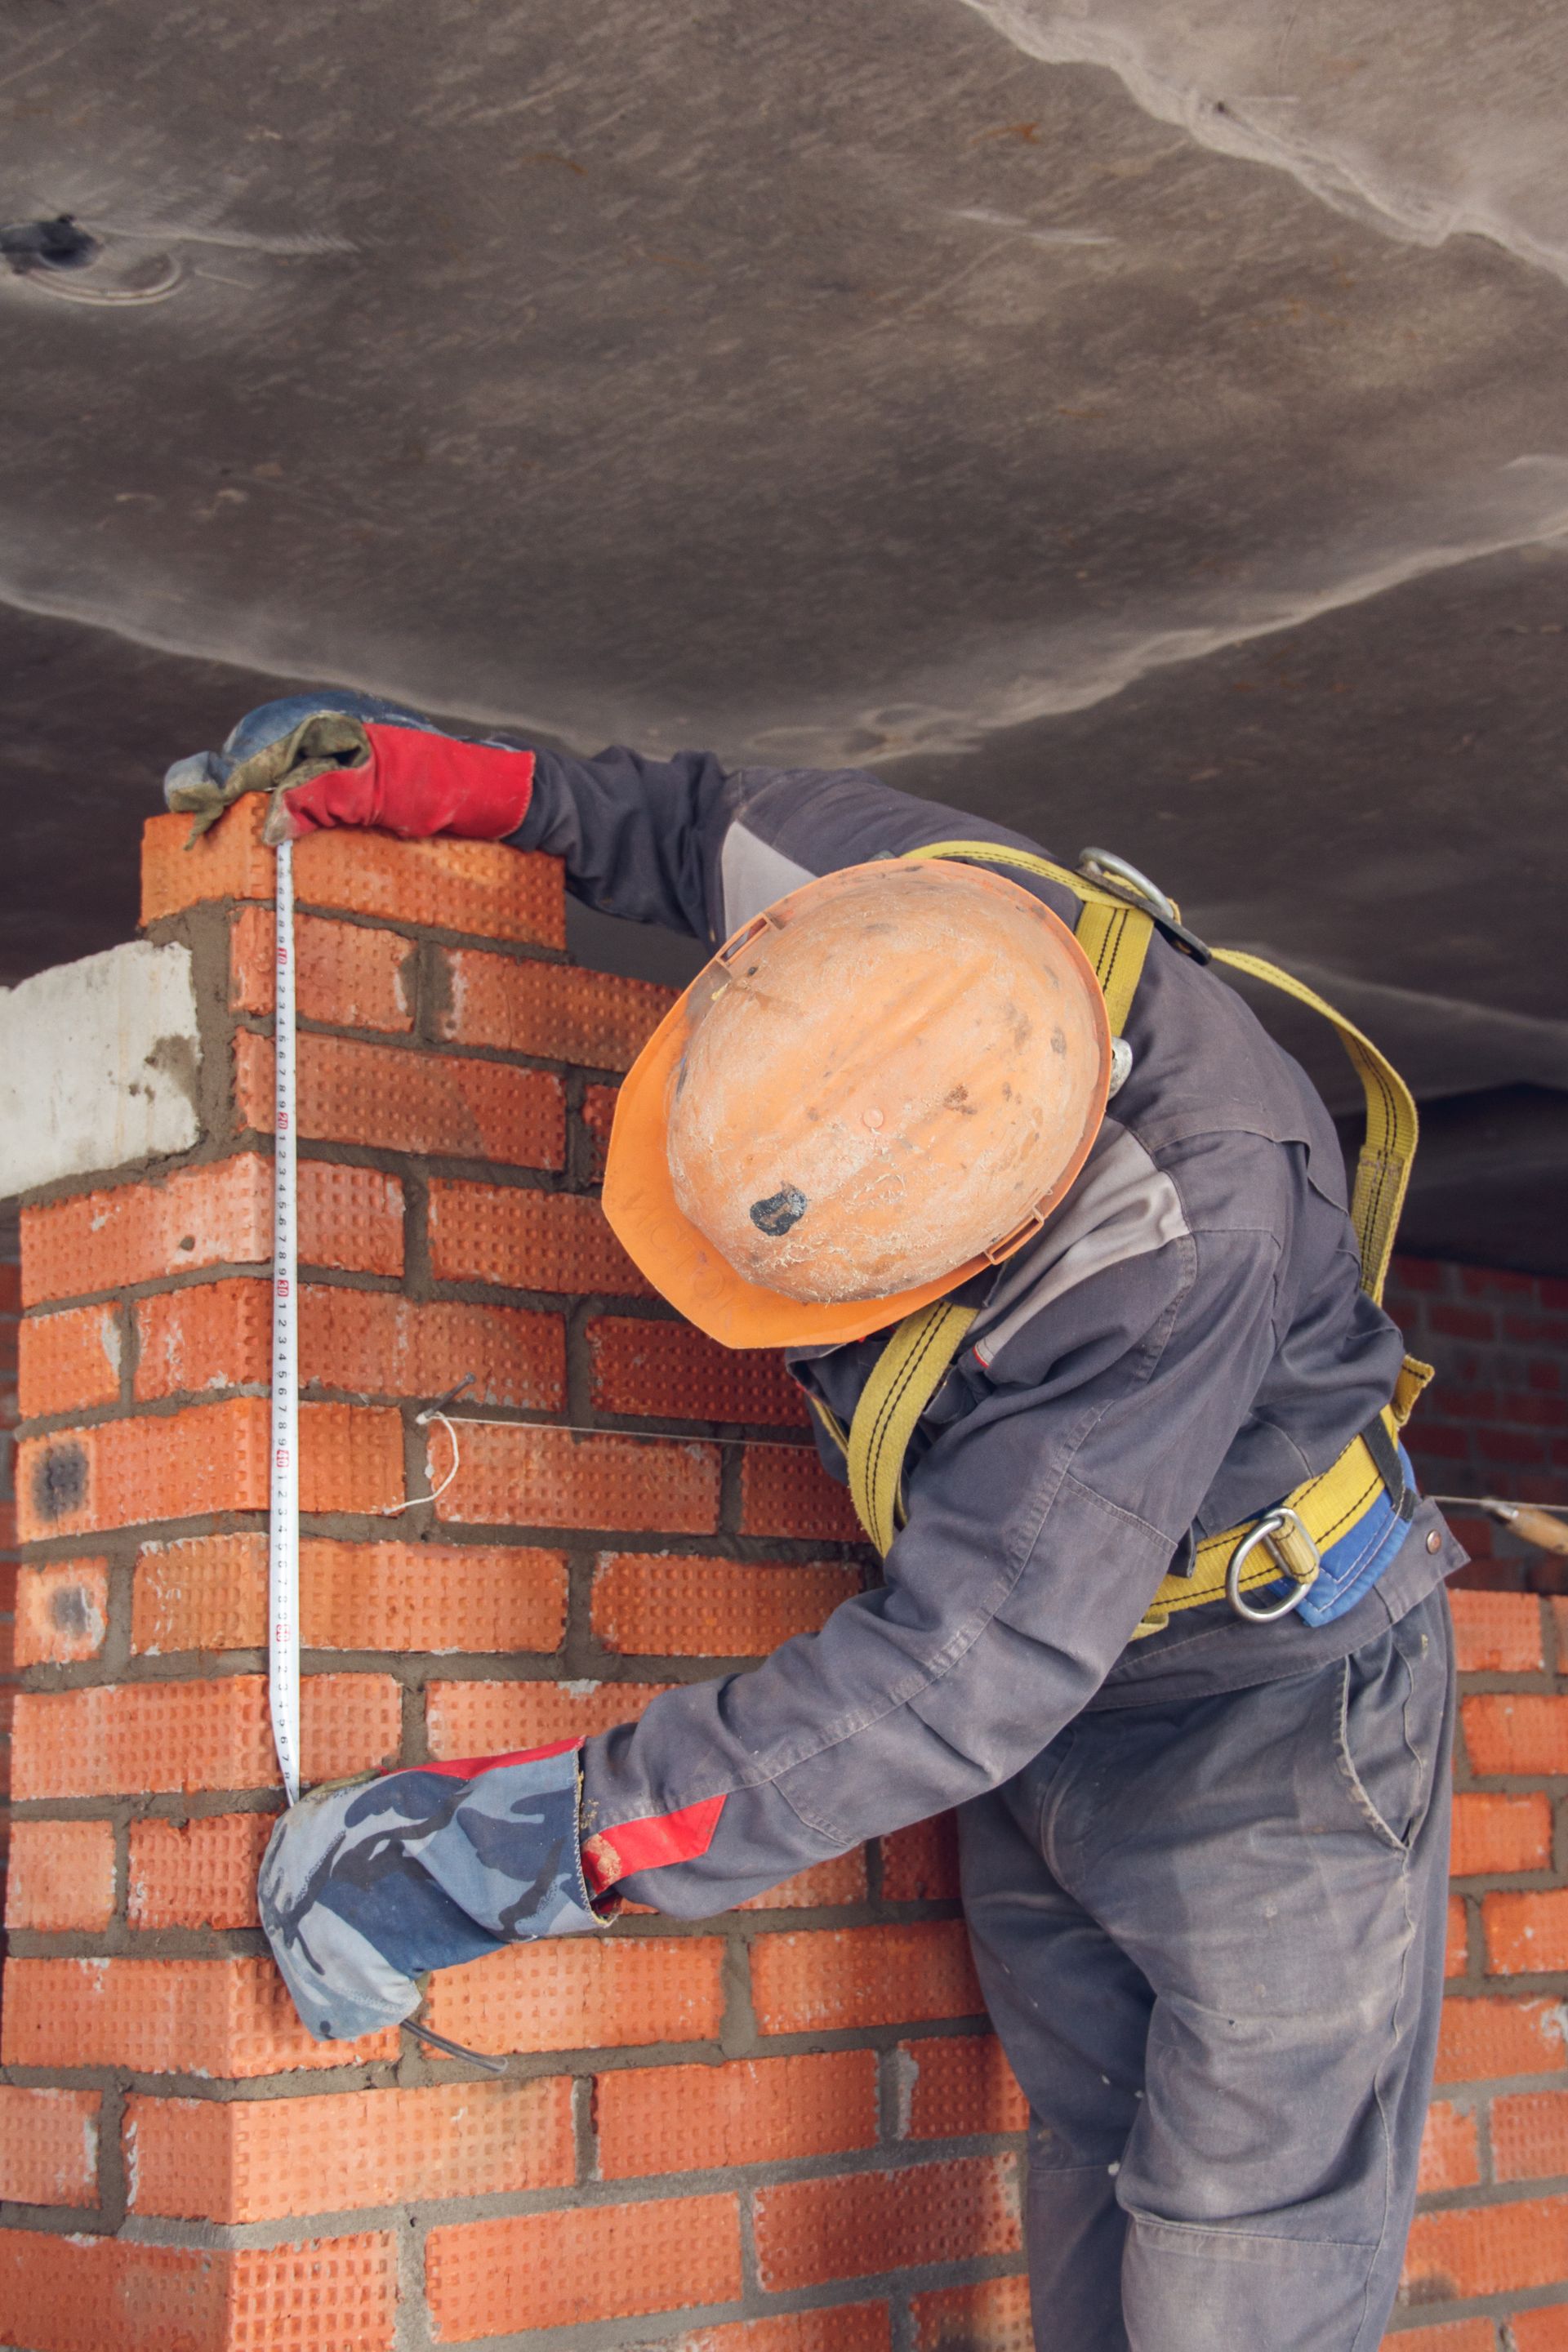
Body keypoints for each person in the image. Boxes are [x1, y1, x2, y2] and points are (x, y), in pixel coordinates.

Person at [167, 695, 1465, 2351]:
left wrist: (535, 1849)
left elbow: (958, 1676)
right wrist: (471, 787)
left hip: (1272, 1728)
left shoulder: (1169, 1247)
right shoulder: (881, 900)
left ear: (993, 1238)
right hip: (1063, 1717)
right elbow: (683, 811)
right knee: (1092, 2168)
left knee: (1242, 2272)